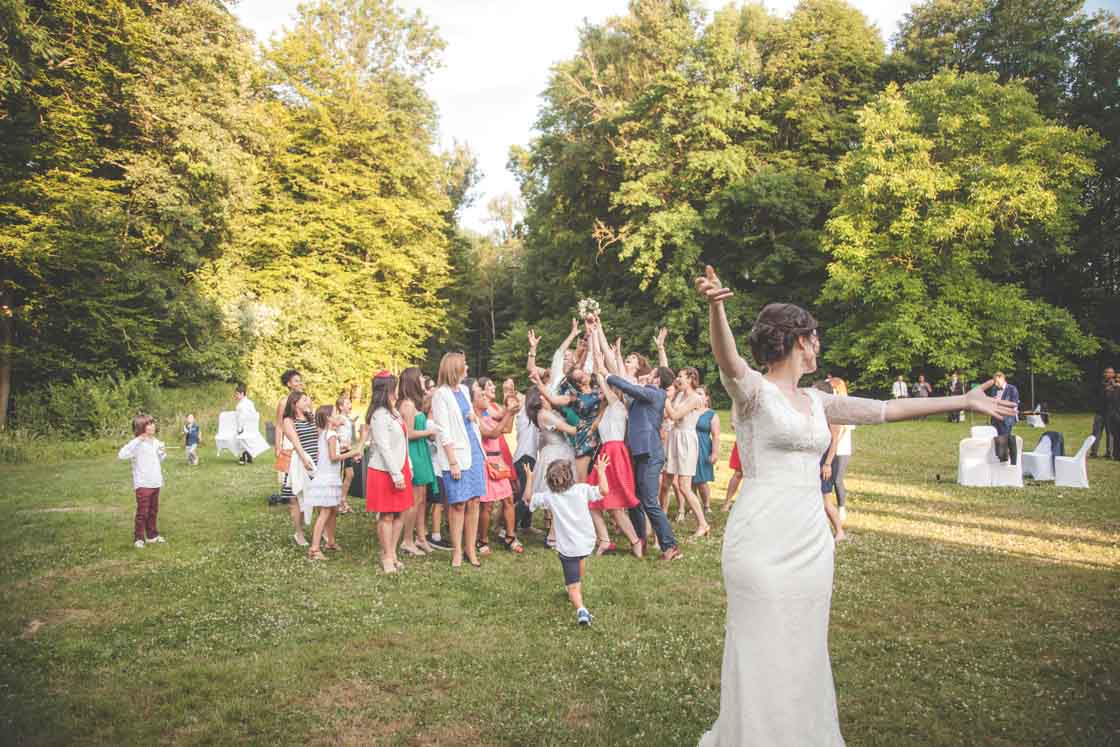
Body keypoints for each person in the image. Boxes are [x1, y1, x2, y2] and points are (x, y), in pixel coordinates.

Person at [694, 264, 1017, 745]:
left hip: (810, 539)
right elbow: (728, 360)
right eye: (815, 337)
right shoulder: (753, 393)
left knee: (803, 646)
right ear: (798, 341)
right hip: (760, 538)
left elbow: (887, 410)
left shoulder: (818, 401)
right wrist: (716, 309)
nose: (819, 345)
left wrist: (963, 401)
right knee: (760, 644)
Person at [605, 366, 683, 561]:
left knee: (649, 501)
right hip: (638, 452)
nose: (648, 376)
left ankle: (670, 547)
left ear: (657, 380)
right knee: (634, 500)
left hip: (650, 454)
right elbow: (629, 396)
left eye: (652, 374)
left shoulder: (656, 394)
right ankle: (641, 541)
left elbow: (631, 389)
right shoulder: (646, 396)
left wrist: (608, 376)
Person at [529, 455, 611, 626]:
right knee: (580, 559)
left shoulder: (550, 496)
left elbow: (529, 498)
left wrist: (530, 478)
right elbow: (604, 491)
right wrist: (601, 471)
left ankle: (581, 609)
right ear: (570, 475)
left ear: (550, 481)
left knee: (572, 586)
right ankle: (577, 587)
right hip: (585, 542)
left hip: (567, 547)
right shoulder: (582, 489)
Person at [588, 336, 644, 557]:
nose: (602, 389)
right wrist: (592, 340)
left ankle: (635, 541)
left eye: (607, 388)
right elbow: (598, 374)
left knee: (614, 505)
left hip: (615, 453)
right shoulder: (605, 409)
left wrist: (598, 354)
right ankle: (604, 540)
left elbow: (601, 377)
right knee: (594, 502)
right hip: (605, 454)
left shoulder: (618, 404)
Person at [431, 352, 486, 568]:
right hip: (456, 454)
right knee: (458, 503)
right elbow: (443, 430)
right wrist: (452, 461)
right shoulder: (440, 395)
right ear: (455, 368)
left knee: (474, 501)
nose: (467, 368)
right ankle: (457, 551)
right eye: (464, 365)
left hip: (473, 449)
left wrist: (474, 418)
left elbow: (470, 417)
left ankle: (470, 549)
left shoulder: (464, 390)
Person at [366, 371, 414, 574]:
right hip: (385, 470)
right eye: (394, 386)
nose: (397, 389)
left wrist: (408, 465)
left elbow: (403, 440)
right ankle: (386, 555)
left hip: (400, 466)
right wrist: (396, 474)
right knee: (386, 515)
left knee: (400, 512)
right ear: (386, 389)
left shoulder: (394, 412)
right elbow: (384, 447)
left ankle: (392, 552)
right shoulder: (378, 415)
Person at [304, 405, 362, 561]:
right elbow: (333, 457)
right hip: (328, 478)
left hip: (329, 477)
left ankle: (330, 541)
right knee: (325, 513)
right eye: (336, 414)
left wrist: (343, 449)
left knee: (332, 511)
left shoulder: (326, 433)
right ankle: (314, 548)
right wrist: (353, 452)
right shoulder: (331, 435)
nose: (340, 417)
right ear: (329, 419)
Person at [525, 384, 579, 549]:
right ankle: (553, 536)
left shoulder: (543, 415)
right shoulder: (546, 415)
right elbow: (572, 430)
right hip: (558, 454)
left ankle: (556, 534)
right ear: (541, 398)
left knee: (559, 498)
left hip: (555, 451)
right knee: (559, 498)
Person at [474, 377, 520, 554]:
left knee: (508, 498)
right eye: (484, 397)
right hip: (486, 463)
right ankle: (482, 540)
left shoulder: (488, 414)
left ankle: (510, 536)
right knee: (487, 505)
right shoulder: (476, 418)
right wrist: (508, 413)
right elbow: (493, 434)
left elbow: (506, 429)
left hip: (499, 460)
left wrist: (512, 411)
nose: (488, 400)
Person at [665, 366, 711, 537]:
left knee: (685, 485)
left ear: (691, 379)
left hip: (686, 440)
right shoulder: (679, 395)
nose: (678, 379)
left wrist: (665, 400)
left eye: (681, 376)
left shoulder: (695, 398)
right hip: (674, 437)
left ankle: (703, 524)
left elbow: (675, 416)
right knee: (667, 482)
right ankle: (661, 521)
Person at [397, 367, 438, 555]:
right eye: (420, 377)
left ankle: (421, 538)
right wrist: (429, 432)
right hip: (413, 453)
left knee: (422, 500)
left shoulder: (416, 403)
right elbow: (409, 433)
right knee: (413, 501)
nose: (423, 379)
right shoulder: (407, 405)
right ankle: (407, 540)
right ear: (413, 380)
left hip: (422, 451)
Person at [118, 414, 167, 549]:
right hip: (142, 483)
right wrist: (138, 439)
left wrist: (162, 452)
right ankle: (139, 538)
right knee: (143, 512)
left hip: (155, 481)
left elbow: (160, 459)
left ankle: (152, 535)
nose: (152, 426)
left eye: (153, 423)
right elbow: (122, 455)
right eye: (149, 424)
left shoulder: (156, 442)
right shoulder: (137, 444)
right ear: (141, 427)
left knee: (153, 511)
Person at [280, 391, 318, 546]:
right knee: (297, 498)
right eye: (304, 399)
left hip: (315, 459)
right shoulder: (288, 420)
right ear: (294, 403)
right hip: (300, 461)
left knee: (314, 497)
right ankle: (299, 532)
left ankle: (318, 529)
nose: (307, 401)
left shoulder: (311, 417)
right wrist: (304, 459)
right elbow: (295, 442)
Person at [273, 369, 304, 512]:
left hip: (303, 438)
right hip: (289, 440)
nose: (300, 383)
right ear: (289, 384)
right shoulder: (284, 402)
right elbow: (279, 426)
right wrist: (277, 446)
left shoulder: (305, 400)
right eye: (296, 381)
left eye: (300, 380)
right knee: (290, 470)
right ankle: (292, 498)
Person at [692, 388, 720, 514]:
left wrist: (714, 453)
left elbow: (715, 435)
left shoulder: (711, 414)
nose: (697, 396)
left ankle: (706, 505)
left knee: (701, 480)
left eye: (700, 393)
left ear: (707, 397)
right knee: (689, 478)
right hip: (689, 444)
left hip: (703, 446)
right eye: (695, 393)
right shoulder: (689, 410)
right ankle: (693, 504)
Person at [234, 383, 269, 465]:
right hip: (251, 427)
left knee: (240, 439)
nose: (235, 396)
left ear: (242, 394)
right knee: (245, 440)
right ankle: (249, 457)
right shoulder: (249, 402)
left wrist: (240, 428)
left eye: (236, 394)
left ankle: (243, 458)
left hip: (244, 426)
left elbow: (242, 418)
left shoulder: (243, 404)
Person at [334, 394, 357, 515]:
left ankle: (342, 499)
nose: (350, 405)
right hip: (341, 452)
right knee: (340, 477)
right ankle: (338, 503)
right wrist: (338, 441)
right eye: (347, 404)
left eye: (350, 403)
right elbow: (330, 429)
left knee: (350, 475)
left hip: (347, 450)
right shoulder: (340, 418)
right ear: (341, 406)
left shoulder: (346, 418)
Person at [1090, 367, 1114, 458]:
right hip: (1099, 412)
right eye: (1108, 372)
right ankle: (1094, 452)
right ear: (1104, 374)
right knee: (1096, 433)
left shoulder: (1116, 385)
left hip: (1110, 413)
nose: (1110, 374)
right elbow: (1095, 395)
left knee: (1110, 434)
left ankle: (1109, 453)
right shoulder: (1099, 384)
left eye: (1111, 373)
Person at [988, 372, 1020, 437]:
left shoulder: (1012, 389)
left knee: (1004, 439)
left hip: (1006, 419)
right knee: (996, 439)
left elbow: (1014, 404)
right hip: (995, 419)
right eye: (995, 382)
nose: (996, 384)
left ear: (1002, 378)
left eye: (997, 382)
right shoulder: (994, 389)